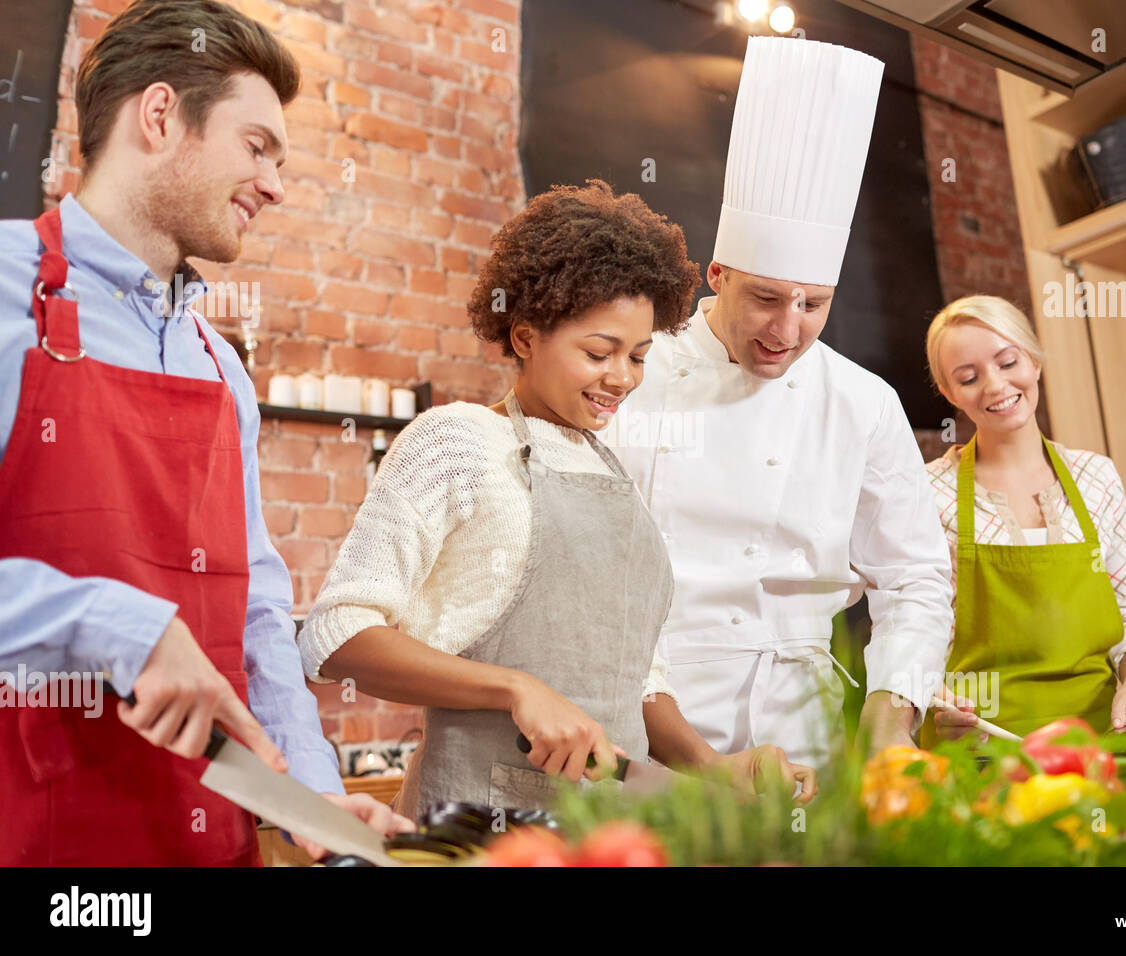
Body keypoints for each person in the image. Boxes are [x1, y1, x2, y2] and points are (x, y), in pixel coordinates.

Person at [0, 0, 411, 865]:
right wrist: (110, 623)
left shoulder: (221, 369)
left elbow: (257, 614)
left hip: (202, 839)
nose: (275, 183)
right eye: (257, 146)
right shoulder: (5, 293)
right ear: (160, 117)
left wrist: (312, 795)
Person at [301, 180, 817, 816]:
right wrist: (514, 689)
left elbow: (637, 683)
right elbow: (334, 635)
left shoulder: (613, 473)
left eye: (637, 355)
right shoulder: (458, 442)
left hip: (613, 837)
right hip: (478, 833)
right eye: (599, 352)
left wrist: (713, 769)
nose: (622, 378)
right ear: (524, 338)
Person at [606, 36, 955, 770]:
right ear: (718, 273)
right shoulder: (634, 373)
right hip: (652, 728)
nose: (786, 330)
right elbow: (590, 568)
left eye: (813, 305)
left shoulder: (862, 402)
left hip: (810, 735)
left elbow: (914, 577)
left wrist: (892, 723)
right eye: (765, 298)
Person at [921, 295, 1126, 744]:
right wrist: (932, 697)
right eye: (969, 377)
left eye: (1008, 361)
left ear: (1034, 361)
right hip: (977, 749)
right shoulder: (927, 492)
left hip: (1097, 744)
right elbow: (912, 634)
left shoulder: (1097, 477)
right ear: (950, 393)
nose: (995, 386)